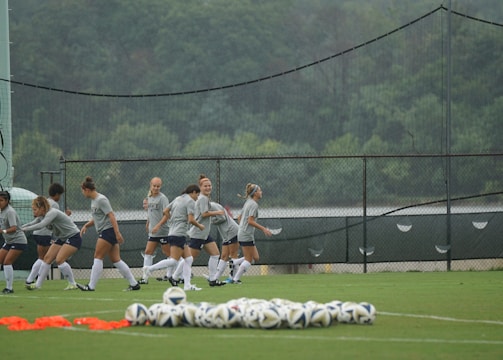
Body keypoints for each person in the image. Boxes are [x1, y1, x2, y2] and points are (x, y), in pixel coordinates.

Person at [77, 176, 140, 291]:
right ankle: (134, 284)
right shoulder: (94, 201)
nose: (82, 193)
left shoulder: (101, 199)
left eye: (82, 190)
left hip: (108, 231)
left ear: (87, 189)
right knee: (116, 259)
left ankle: (91, 286)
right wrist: (86, 225)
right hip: (107, 231)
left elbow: (111, 215)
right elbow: (97, 218)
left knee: (98, 256)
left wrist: (117, 233)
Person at [143, 184, 204, 291]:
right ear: (193, 192)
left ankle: (187, 285)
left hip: (173, 232)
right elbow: (190, 219)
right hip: (179, 234)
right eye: (197, 195)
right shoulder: (190, 201)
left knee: (188, 259)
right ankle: (149, 269)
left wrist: (173, 220)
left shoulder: (178, 198)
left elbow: (165, 211)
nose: (197, 197)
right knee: (173, 261)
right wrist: (199, 226)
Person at [22, 196, 81, 290]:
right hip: (62, 238)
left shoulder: (52, 213)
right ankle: (38, 285)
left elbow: (41, 225)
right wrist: (20, 228)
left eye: (35, 209)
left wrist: (25, 229)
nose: (34, 212)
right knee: (47, 258)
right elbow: (32, 223)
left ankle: (72, 283)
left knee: (59, 260)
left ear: (42, 208)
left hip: (73, 237)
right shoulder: (41, 215)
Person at [185, 175, 226, 287]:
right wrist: (217, 213)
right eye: (205, 186)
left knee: (215, 254)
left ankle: (212, 280)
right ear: (200, 187)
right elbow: (204, 214)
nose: (208, 188)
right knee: (189, 259)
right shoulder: (202, 198)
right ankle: (175, 276)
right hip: (198, 233)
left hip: (204, 234)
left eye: (209, 185)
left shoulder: (205, 198)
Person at [232, 183, 272, 284]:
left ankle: (233, 262)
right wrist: (264, 229)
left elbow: (239, 217)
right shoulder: (253, 204)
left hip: (245, 234)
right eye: (259, 190)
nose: (261, 192)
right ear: (255, 193)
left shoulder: (248, 202)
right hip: (246, 235)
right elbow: (250, 221)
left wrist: (242, 227)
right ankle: (235, 279)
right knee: (248, 260)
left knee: (256, 257)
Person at [138, 177, 171, 284]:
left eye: (158, 186)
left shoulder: (163, 198)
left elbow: (167, 215)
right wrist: (148, 223)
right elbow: (151, 213)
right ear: (150, 185)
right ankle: (145, 277)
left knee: (169, 254)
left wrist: (158, 226)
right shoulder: (149, 197)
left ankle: (172, 275)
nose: (156, 188)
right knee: (148, 252)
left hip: (163, 231)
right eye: (154, 186)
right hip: (153, 232)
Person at [0, 190, 28, 294]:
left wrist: (2, 231)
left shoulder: (10, 211)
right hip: (9, 241)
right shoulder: (1, 211)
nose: (0, 202)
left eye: (1, 200)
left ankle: (9, 288)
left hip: (18, 240)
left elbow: (14, 228)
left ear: (7, 201)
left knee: (7, 262)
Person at [210, 201, 241, 283]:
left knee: (233, 255)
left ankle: (234, 278)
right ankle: (215, 278)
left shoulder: (212, 206)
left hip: (231, 232)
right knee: (224, 256)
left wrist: (212, 221)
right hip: (226, 234)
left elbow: (222, 217)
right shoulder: (206, 207)